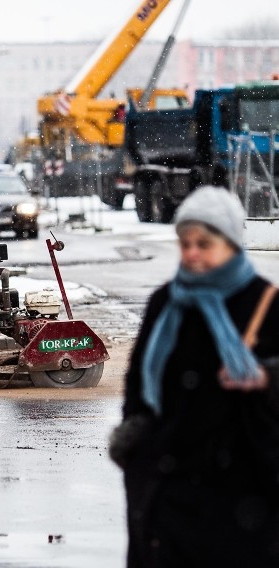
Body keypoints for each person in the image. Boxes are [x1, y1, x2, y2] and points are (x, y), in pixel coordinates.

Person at [112, 186, 279, 567]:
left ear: (231, 243)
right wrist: (137, 452)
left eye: (203, 243)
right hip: (166, 491)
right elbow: (138, 385)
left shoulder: (265, 303)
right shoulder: (165, 302)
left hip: (244, 494)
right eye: (184, 242)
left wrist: (268, 378)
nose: (191, 254)